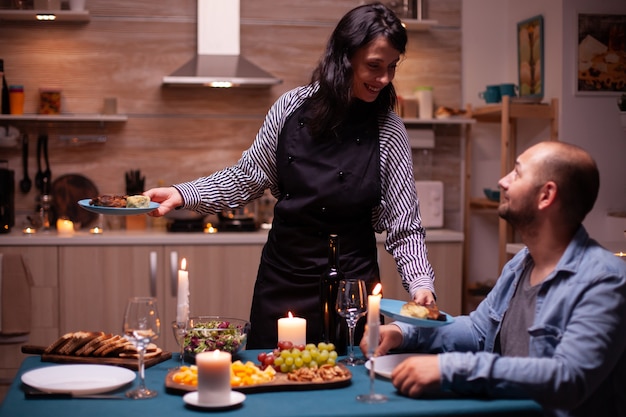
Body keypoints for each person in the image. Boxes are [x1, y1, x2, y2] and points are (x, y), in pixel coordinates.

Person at [145, 2, 436, 349]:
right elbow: (246, 176)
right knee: (270, 381)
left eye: (392, 67)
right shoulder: (289, 107)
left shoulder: (388, 129)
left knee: (349, 388)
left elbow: (405, 225)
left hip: (351, 293)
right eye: (374, 66)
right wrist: (183, 194)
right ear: (345, 56)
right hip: (283, 282)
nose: (384, 79)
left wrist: (421, 284)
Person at [360, 141, 626, 416]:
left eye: (517, 173)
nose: (503, 181)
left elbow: (568, 376)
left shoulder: (604, 281)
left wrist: (449, 369)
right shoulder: (520, 265)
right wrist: (403, 334)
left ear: (546, 195)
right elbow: (477, 332)